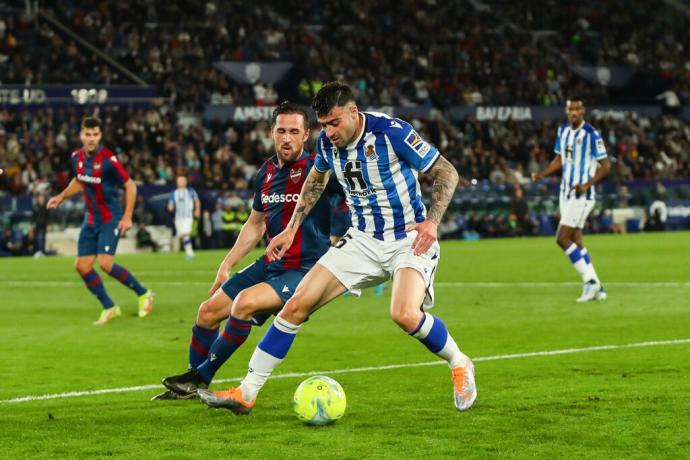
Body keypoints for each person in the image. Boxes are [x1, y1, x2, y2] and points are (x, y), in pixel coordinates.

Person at [198, 81, 476, 414]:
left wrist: (432, 221)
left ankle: (460, 363)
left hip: (407, 238)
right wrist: (290, 229)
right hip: (361, 240)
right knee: (295, 305)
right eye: (323, 125)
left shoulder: (392, 133)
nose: (328, 132)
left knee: (403, 314)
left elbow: (446, 171)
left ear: (352, 113)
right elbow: (315, 181)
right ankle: (247, 393)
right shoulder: (329, 145)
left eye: (334, 123)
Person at [156, 102, 346, 400]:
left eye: (294, 131)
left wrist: (345, 236)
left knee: (243, 304)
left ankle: (199, 377)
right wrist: (226, 264)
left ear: (306, 134)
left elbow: (353, 195)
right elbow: (255, 224)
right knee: (207, 312)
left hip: (304, 269)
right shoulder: (266, 172)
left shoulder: (319, 169)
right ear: (271, 132)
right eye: (281, 131)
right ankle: (193, 386)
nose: (286, 138)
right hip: (270, 264)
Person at [47, 117, 154, 325]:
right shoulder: (76, 158)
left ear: (100, 135)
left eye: (95, 134)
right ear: (81, 135)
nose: (91, 138)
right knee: (82, 266)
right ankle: (109, 306)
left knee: (105, 263)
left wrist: (127, 216)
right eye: (88, 134)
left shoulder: (108, 161)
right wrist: (62, 196)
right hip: (91, 219)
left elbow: (131, 186)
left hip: (109, 218)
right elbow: (79, 180)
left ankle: (144, 293)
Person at [531, 97, 611, 302]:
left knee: (561, 238)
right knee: (576, 239)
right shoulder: (563, 131)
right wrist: (543, 173)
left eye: (577, 109)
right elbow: (560, 159)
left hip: (582, 195)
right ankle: (598, 286)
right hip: (565, 193)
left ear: (582, 111)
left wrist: (587, 184)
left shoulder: (591, 134)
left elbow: (606, 166)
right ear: (567, 111)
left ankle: (590, 283)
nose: (574, 112)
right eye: (570, 109)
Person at [167, 175, 200, 260]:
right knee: (182, 235)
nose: (181, 182)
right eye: (179, 180)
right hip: (178, 217)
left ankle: (190, 253)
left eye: (182, 180)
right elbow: (171, 203)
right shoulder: (173, 193)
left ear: (185, 182)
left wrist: (197, 210)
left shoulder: (190, 191)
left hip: (188, 216)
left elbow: (196, 201)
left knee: (185, 233)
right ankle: (188, 251)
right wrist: (170, 207)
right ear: (177, 182)